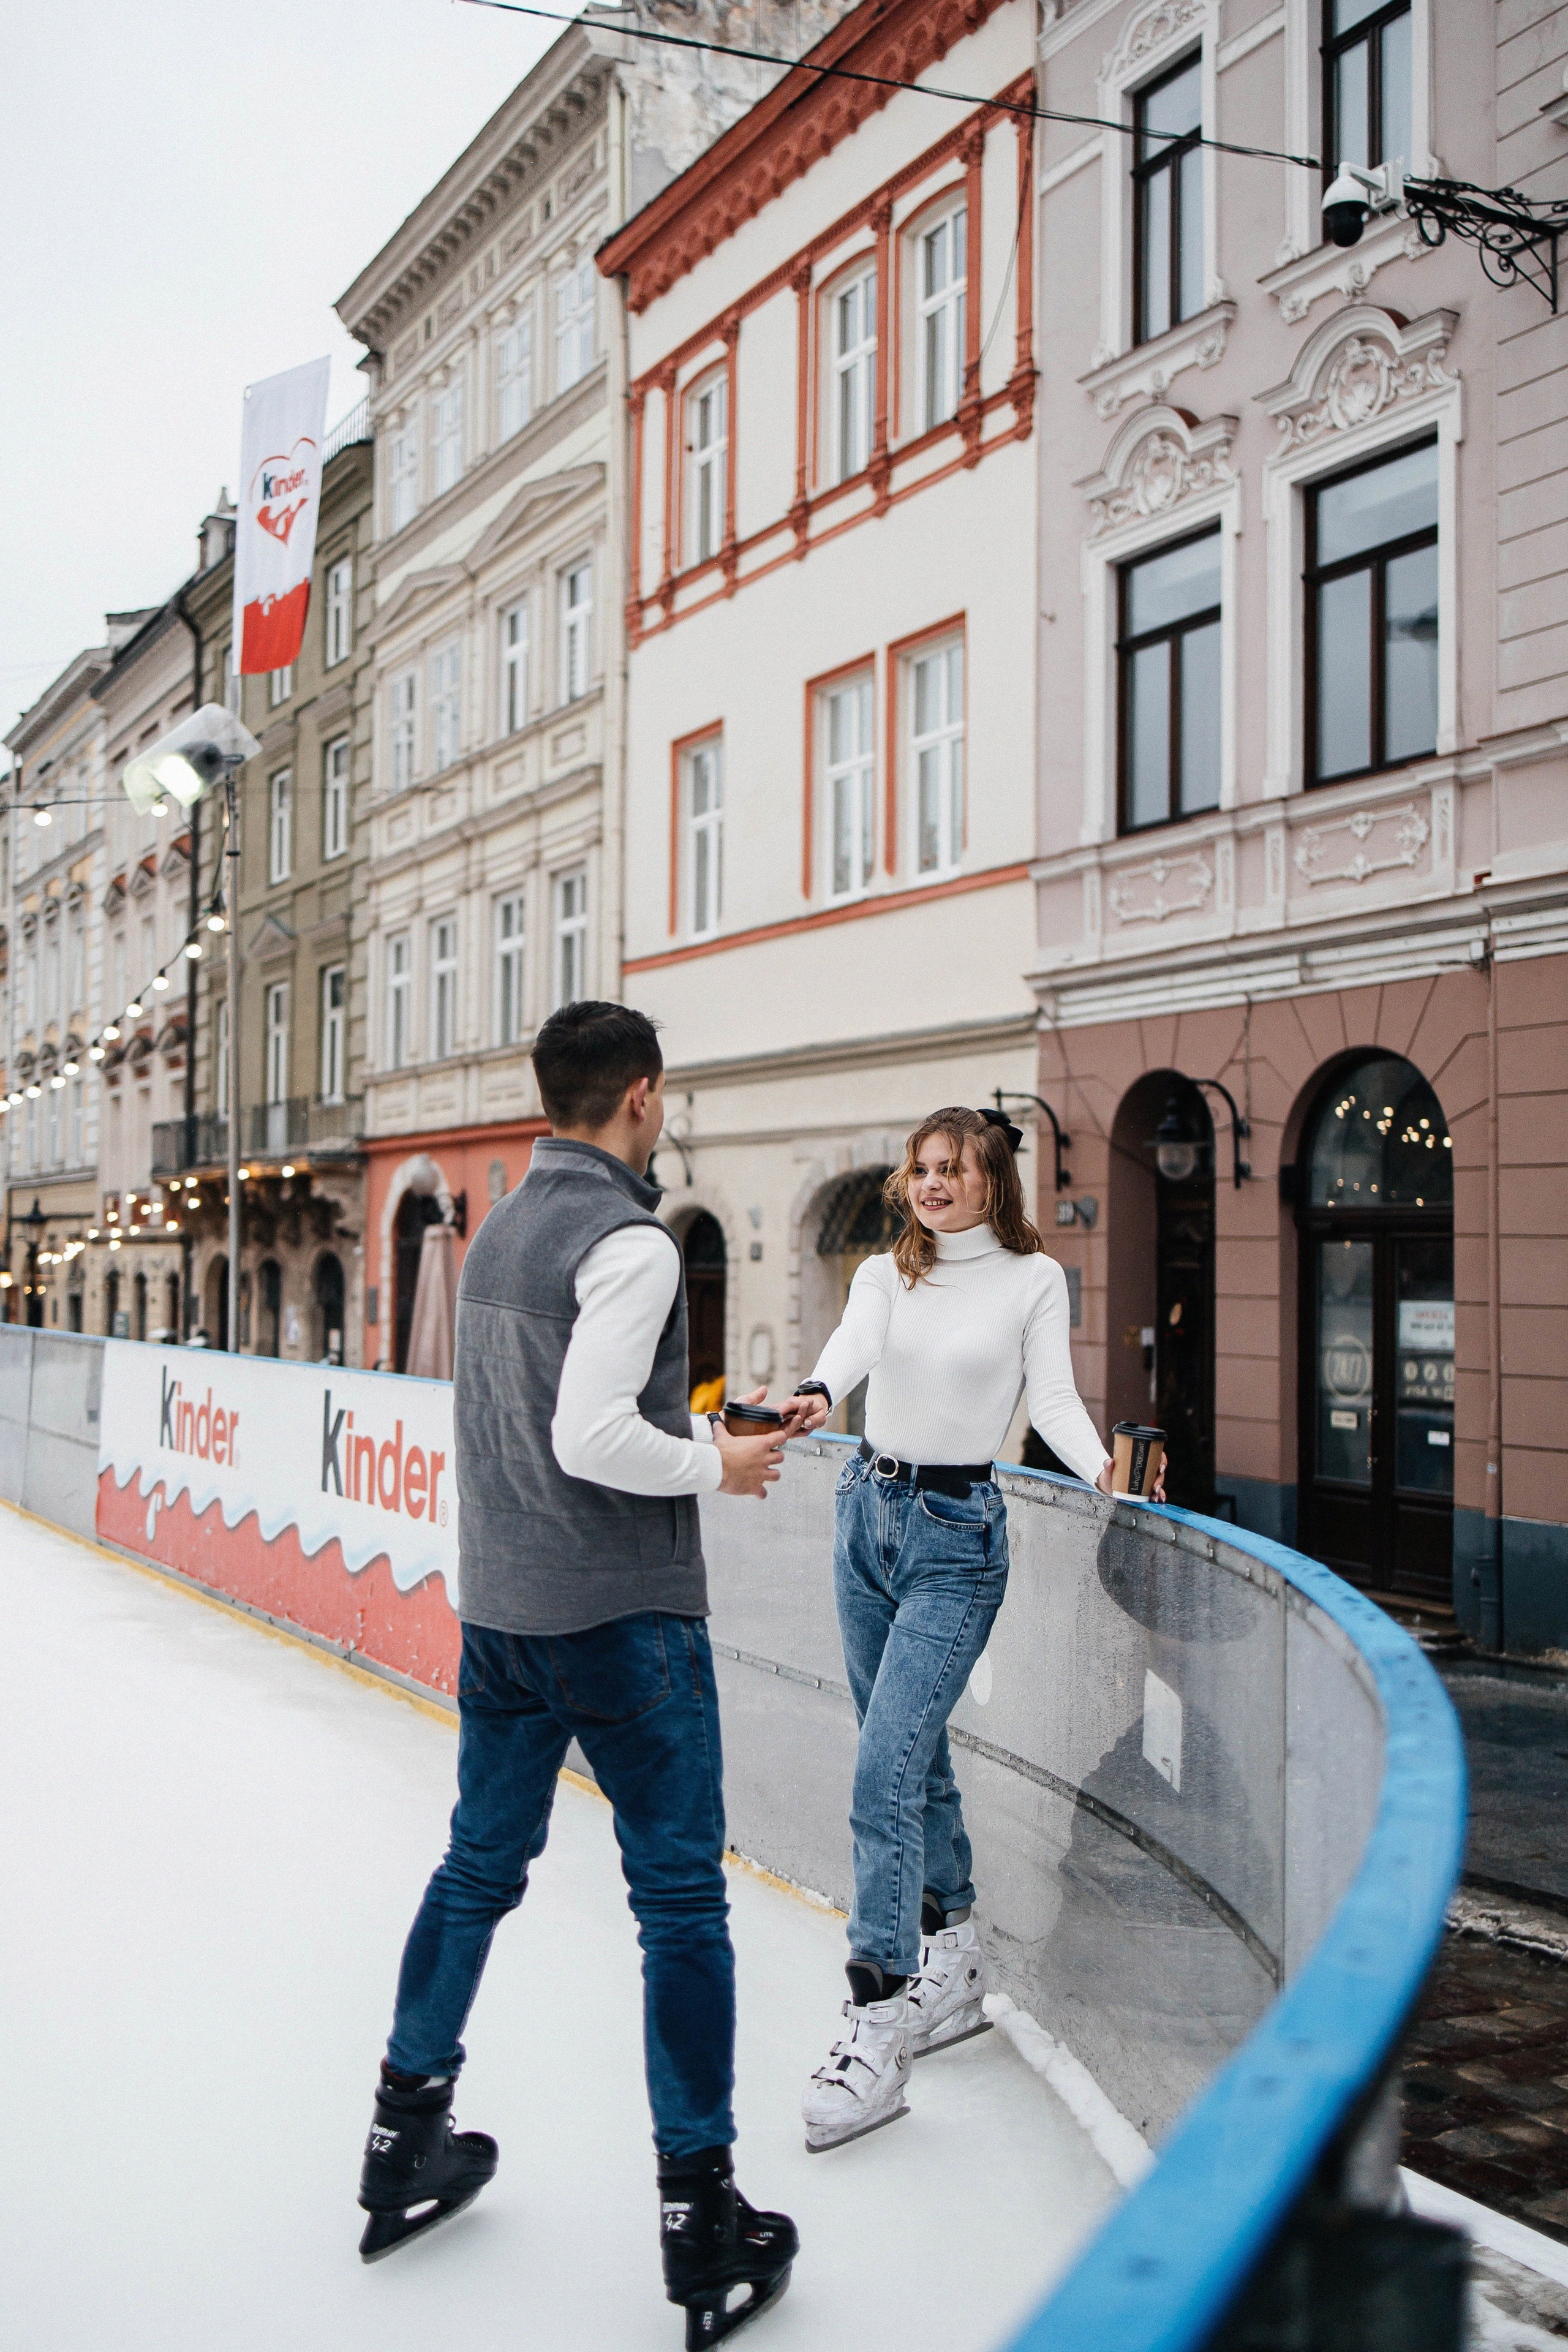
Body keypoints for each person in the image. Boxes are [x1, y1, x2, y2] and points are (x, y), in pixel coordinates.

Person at [356, 1001, 799, 2348]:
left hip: (506, 1617)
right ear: (642, 1097)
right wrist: (714, 1462)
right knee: (678, 1907)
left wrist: (693, 1423)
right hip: (623, 1623)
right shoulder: (628, 1242)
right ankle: (698, 2212)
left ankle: (403, 2134)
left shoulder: (496, 1227)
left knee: (476, 1867)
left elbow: (547, 1415)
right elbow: (594, 1433)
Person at [781, 1106, 1129, 2155]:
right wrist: (813, 1391)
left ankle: (877, 2021)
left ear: (991, 1181)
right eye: (921, 1169)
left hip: (957, 1536)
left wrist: (1109, 1472)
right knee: (911, 1755)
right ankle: (957, 1957)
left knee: (880, 1767)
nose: (932, 1185)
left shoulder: (1032, 1282)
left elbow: (1055, 1401)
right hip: (865, 1515)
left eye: (953, 1169)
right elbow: (852, 1347)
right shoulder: (890, 1274)